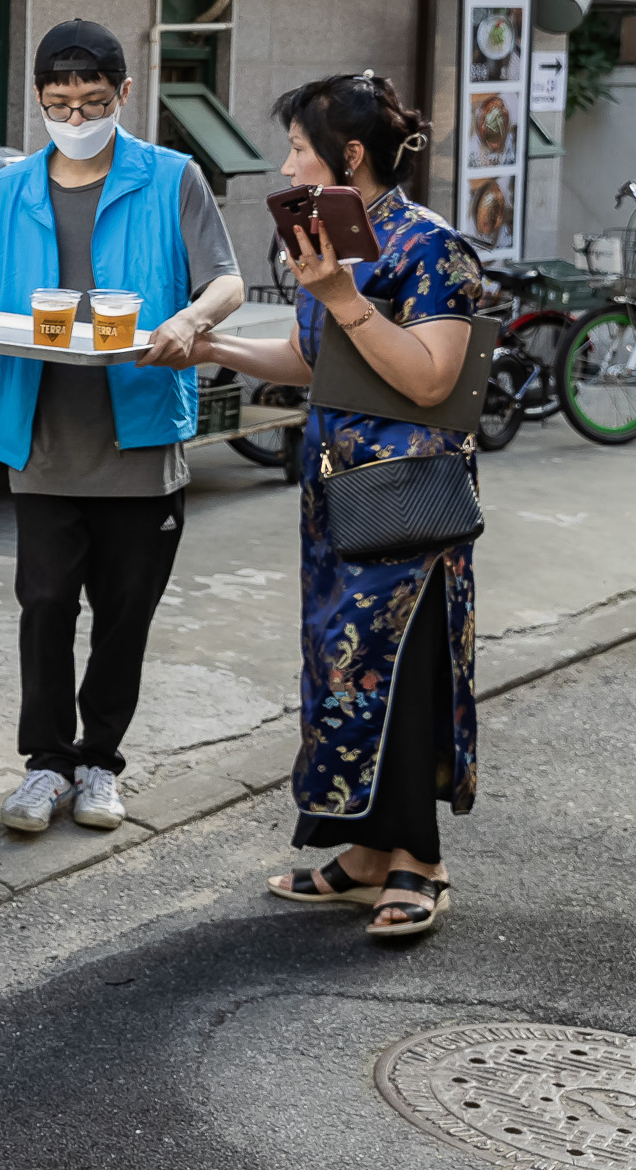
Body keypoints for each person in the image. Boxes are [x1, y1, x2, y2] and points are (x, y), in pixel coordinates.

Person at [0, 19, 243, 835]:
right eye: (59, 102)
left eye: (93, 100)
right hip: (45, 434)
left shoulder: (171, 177)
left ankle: (99, 763)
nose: (77, 115)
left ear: (124, 94)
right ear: (39, 100)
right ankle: (45, 763)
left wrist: (190, 320)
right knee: (46, 603)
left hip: (142, 430)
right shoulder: (6, 188)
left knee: (125, 614)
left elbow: (225, 278)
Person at [191, 73, 475, 938]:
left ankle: (417, 862)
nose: (287, 164)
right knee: (340, 673)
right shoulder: (329, 247)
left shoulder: (434, 250)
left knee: (401, 672)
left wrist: (344, 300)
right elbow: (311, 363)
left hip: (407, 504)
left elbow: (430, 374)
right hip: (334, 496)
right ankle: (358, 855)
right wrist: (209, 349)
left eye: (301, 150)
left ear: (349, 156)